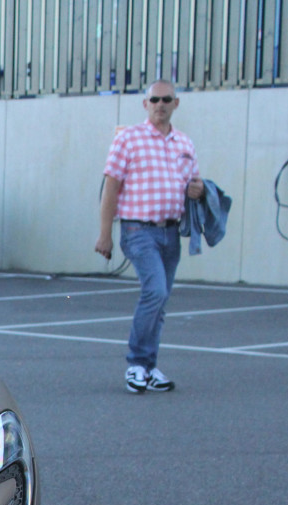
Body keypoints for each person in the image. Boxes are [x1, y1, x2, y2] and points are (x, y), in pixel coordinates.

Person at [95, 79, 205, 394]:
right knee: (155, 291)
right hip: (137, 229)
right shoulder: (129, 139)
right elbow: (111, 186)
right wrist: (105, 234)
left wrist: (197, 190)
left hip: (171, 231)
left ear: (176, 103)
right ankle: (136, 363)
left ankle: (150, 366)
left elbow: (193, 184)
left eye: (166, 99)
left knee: (161, 299)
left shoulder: (185, 143)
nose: (160, 104)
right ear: (145, 104)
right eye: (154, 99)